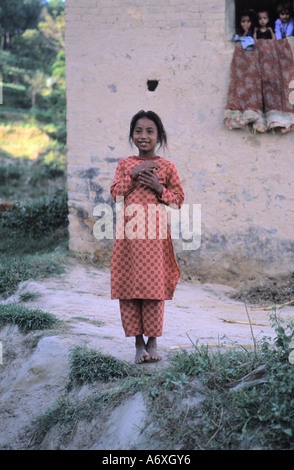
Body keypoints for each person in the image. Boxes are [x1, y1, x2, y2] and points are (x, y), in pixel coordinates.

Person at [110, 110, 185, 364]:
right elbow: (116, 195)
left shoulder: (167, 167)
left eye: (150, 131)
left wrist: (158, 187)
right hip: (129, 239)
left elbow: (178, 201)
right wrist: (134, 173)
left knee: (153, 289)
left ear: (159, 136)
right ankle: (138, 344)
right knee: (130, 289)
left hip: (154, 239)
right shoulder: (124, 165)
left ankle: (153, 343)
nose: (143, 136)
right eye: (138, 131)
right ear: (132, 135)